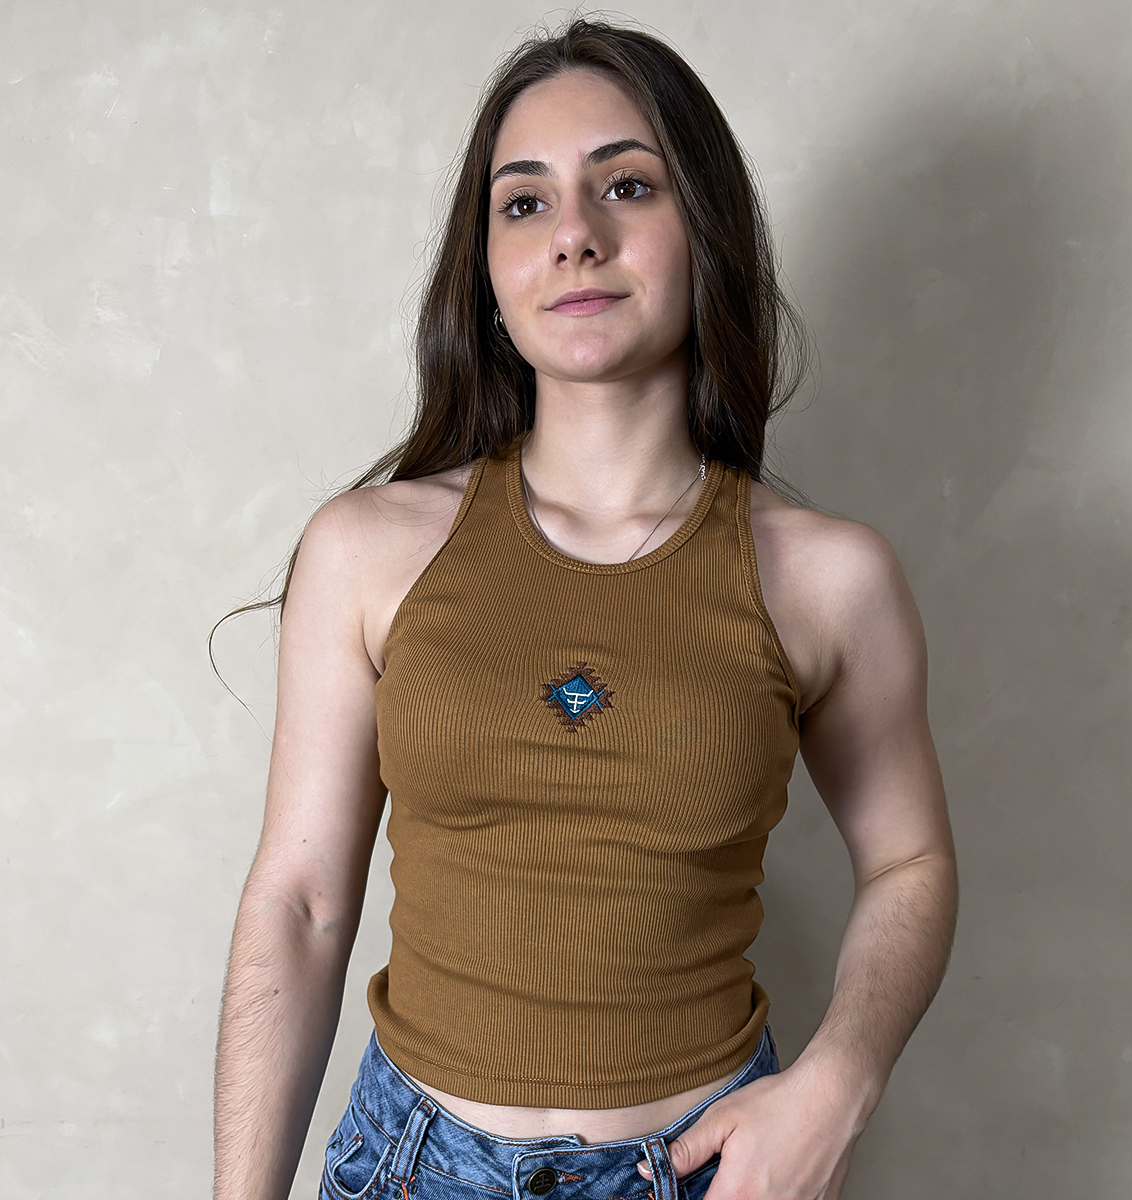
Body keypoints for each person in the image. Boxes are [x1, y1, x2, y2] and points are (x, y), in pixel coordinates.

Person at [212, 16, 957, 1200]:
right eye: (525, 203)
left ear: (704, 230)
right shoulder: (366, 549)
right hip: (412, 1169)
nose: (574, 235)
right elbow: (299, 903)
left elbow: (910, 860)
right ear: (488, 272)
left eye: (626, 186)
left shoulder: (828, 577)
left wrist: (841, 1079)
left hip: (709, 1168)